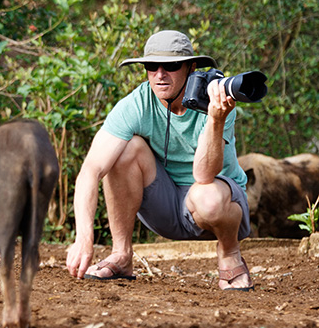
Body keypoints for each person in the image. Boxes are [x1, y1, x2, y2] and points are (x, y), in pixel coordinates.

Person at [66, 30, 254, 291]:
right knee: (125, 149)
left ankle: (230, 254)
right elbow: (90, 170)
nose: (160, 74)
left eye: (171, 66)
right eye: (152, 66)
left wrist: (215, 119)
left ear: (191, 68)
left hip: (217, 206)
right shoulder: (137, 103)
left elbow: (204, 176)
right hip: (163, 207)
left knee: (206, 197)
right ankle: (121, 255)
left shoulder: (217, 101)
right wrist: (83, 236)